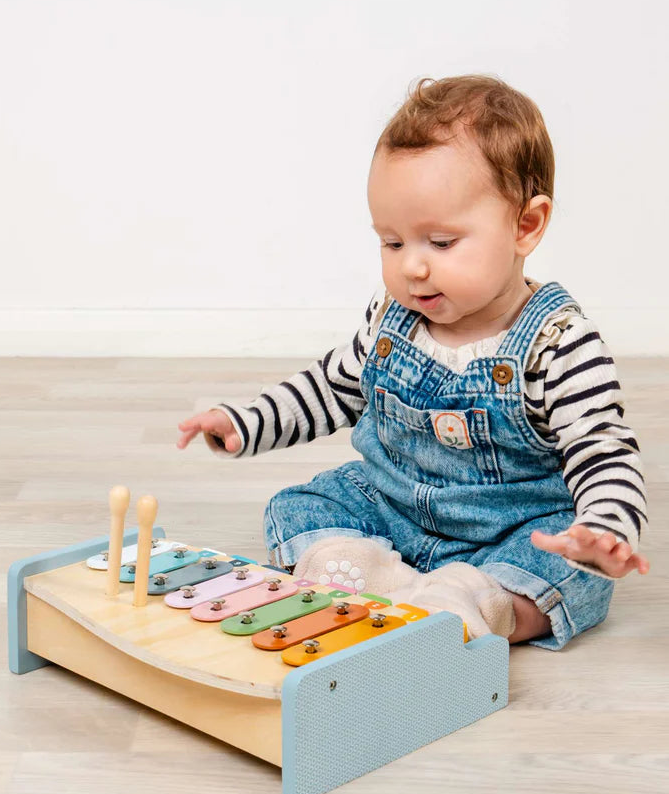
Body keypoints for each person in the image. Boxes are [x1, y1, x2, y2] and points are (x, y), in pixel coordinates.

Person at [176, 75, 649, 649]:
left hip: (512, 528)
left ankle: (480, 601)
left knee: (566, 569)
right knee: (301, 506)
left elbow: (603, 448)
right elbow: (330, 389)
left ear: (526, 225)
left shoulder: (558, 342)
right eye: (393, 243)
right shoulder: (389, 321)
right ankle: (364, 569)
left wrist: (603, 528)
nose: (413, 268)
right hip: (393, 506)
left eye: (441, 243)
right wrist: (246, 421)